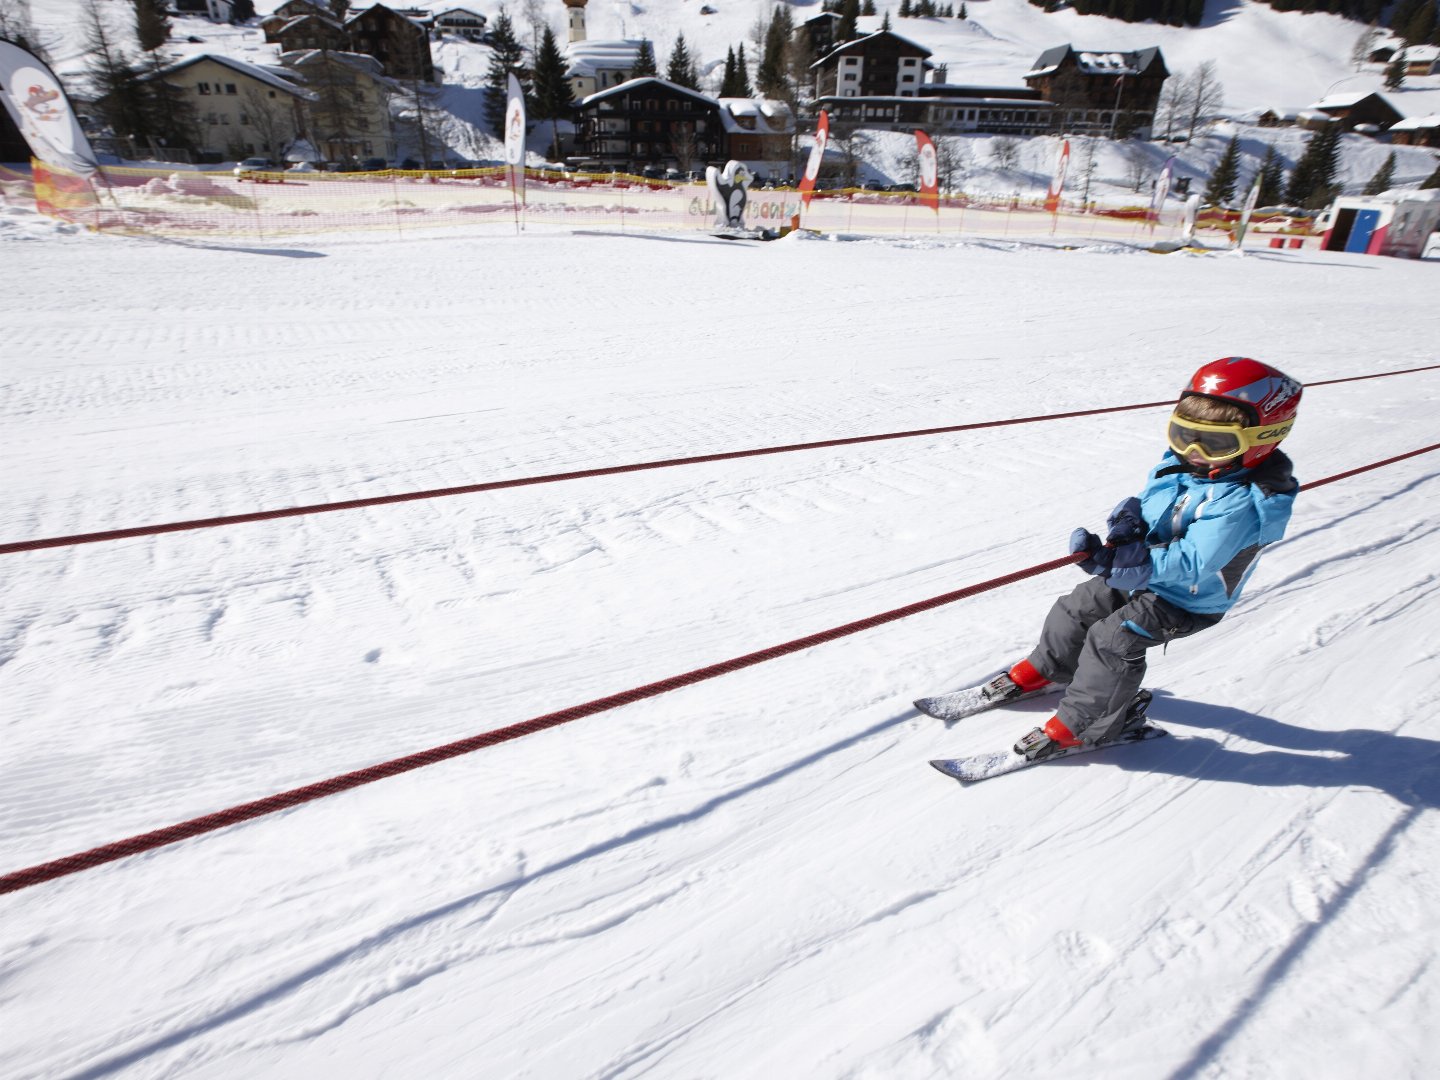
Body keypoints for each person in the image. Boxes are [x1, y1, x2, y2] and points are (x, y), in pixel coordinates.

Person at [986, 356, 1303, 760]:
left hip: (1188, 600)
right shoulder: (1183, 465)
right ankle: (1050, 669)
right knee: (1079, 604)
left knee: (1113, 639)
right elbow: (1156, 503)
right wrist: (1129, 524)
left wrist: (1126, 563)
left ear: (1265, 439)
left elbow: (1192, 562)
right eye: (1183, 434)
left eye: (1217, 443)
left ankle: (1089, 728)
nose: (1195, 451)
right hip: (1150, 575)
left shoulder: (1243, 503)